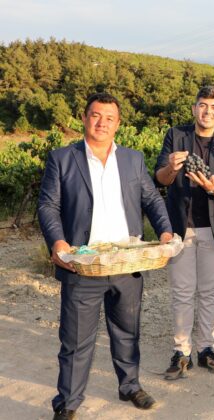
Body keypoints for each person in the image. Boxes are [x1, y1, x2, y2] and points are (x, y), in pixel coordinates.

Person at [38, 92, 173, 420]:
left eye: (109, 118)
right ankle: (68, 403)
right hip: (83, 265)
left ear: (118, 124)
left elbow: (152, 199)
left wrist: (166, 231)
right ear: (84, 118)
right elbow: (48, 206)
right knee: (75, 340)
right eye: (96, 116)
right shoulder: (62, 158)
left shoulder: (132, 159)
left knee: (127, 331)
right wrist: (58, 243)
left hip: (126, 263)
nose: (102, 122)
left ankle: (130, 386)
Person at [154, 86, 214, 379]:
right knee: (181, 290)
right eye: (203, 105)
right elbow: (161, 178)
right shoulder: (176, 136)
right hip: (181, 228)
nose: (207, 112)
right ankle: (182, 351)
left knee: (210, 291)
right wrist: (170, 167)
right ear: (194, 109)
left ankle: (206, 348)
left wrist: (211, 188)